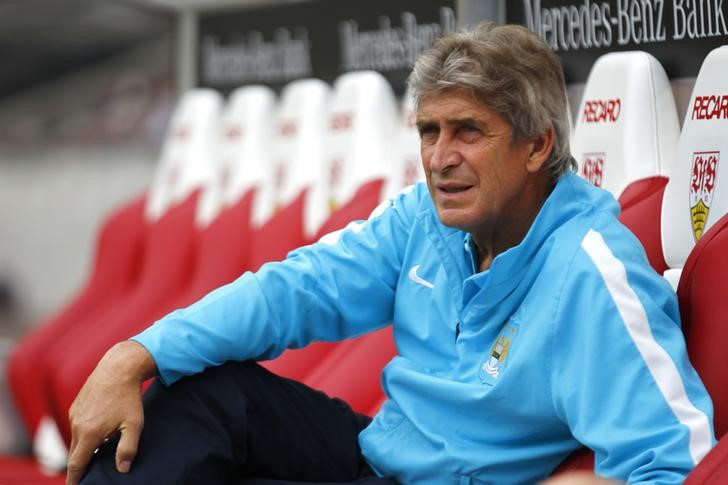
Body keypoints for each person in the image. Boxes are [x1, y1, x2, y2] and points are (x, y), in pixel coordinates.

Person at [67, 22, 715, 484]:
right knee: (203, 390)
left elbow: (674, 460)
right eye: (430, 132)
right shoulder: (423, 218)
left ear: (538, 145)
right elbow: (293, 291)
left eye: (468, 131)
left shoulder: (594, 265)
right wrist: (136, 352)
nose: (439, 158)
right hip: (371, 454)